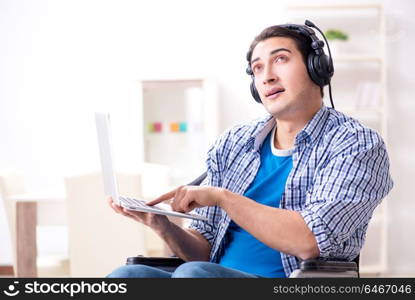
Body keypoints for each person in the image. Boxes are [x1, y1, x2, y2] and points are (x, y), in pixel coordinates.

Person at [106, 22, 393, 278]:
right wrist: (163, 226)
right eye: (257, 68)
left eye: (280, 59)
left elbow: (310, 240)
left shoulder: (355, 144)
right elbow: (204, 252)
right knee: (128, 276)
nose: (267, 76)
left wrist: (224, 198)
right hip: (210, 277)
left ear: (316, 67)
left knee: (193, 276)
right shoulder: (234, 142)